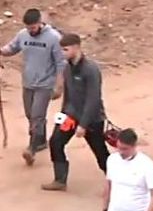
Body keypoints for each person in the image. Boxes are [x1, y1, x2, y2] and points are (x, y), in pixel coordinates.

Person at [42, 33, 111, 191]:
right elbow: (68, 94)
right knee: (55, 142)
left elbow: (93, 99)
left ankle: (117, 181)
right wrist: (63, 114)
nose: (62, 53)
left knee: (100, 153)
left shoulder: (90, 69)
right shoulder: (67, 68)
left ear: (76, 48)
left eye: (65, 49)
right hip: (70, 117)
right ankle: (60, 180)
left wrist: (84, 124)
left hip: (91, 120)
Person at [0, 8, 64, 166]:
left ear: (41, 23)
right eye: (28, 28)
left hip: (45, 84)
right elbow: (12, 48)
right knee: (30, 114)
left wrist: (59, 86)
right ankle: (40, 140)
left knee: (37, 116)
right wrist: (0, 51)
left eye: (33, 27)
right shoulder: (23, 34)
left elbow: (61, 63)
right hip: (28, 83)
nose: (31, 31)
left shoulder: (54, 38)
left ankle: (31, 148)